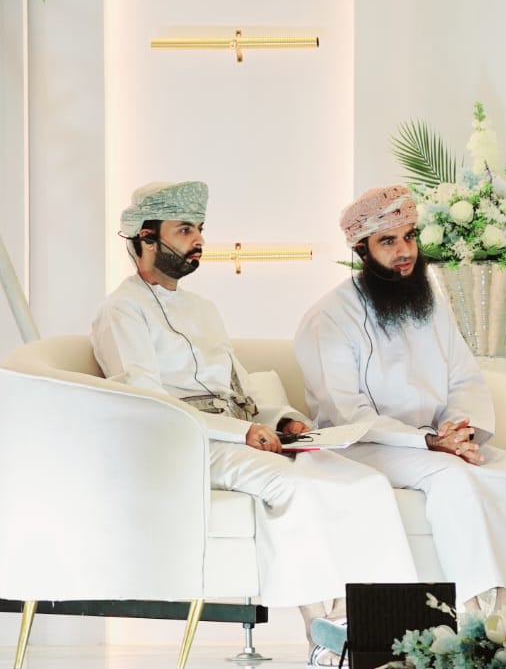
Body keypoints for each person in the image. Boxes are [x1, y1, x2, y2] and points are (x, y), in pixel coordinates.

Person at [91, 181, 418, 667]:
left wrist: (283, 421)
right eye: (184, 230)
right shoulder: (121, 311)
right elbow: (148, 403)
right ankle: (324, 633)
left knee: (363, 480)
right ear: (146, 237)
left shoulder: (203, 309)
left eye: (200, 229)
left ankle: (395, 630)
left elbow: (238, 386)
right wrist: (238, 433)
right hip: (187, 443)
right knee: (296, 486)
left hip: (239, 434)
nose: (198, 241)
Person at [293, 185, 506, 612]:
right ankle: (474, 611)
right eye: (388, 241)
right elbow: (347, 412)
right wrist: (428, 442)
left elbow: (463, 376)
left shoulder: (429, 299)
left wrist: (459, 429)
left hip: (436, 439)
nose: (404, 251)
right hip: (362, 445)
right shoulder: (330, 316)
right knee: (452, 477)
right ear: (361, 250)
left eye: (409, 236)